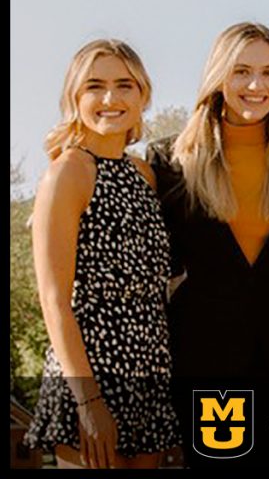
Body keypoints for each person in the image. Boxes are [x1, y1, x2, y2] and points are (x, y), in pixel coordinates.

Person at [147, 22, 269, 467]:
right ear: (219, 77)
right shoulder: (171, 161)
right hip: (207, 358)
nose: (256, 85)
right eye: (242, 72)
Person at [25, 39, 178, 468]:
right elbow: (54, 300)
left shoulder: (144, 174)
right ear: (76, 97)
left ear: (142, 95)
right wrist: (88, 400)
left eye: (124, 85)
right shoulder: (68, 172)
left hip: (147, 372)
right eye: (95, 86)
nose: (111, 99)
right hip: (90, 376)